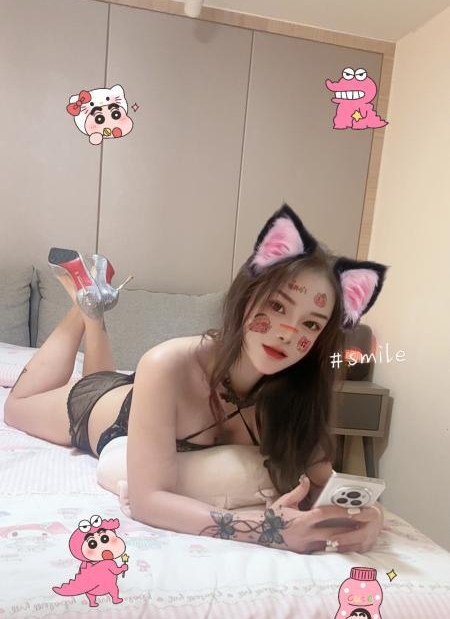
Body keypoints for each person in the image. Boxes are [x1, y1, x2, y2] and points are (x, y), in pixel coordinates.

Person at [4, 204, 388, 555]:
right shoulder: (166, 362)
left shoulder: (296, 397)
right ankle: (84, 304)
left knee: (99, 373)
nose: (288, 333)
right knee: (16, 407)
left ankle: (94, 304)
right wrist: (269, 531)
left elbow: (327, 482)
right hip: (104, 409)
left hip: (149, 399)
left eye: (310, 324)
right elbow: (148, 501)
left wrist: (370, 516)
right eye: (276, 306)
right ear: (246, 296)